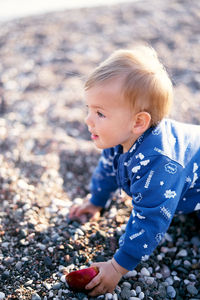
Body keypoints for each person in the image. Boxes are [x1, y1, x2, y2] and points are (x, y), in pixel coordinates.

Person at [69, 45, 200, 296]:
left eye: (99, 113)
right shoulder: (118, 138)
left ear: (138, 122)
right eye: (89, 109)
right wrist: (96, 201)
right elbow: (108, 169)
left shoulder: (160, 165)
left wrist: (118, 267)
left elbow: (150, 218)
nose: (88, 119)